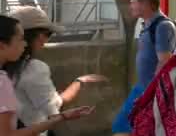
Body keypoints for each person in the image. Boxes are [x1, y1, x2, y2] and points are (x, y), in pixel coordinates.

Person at [3, 7, 107, 136]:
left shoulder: (5, 71)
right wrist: (80, 82)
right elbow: (52, 108)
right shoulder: (33, 69)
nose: (45, 40)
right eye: (47, 34)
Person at [112, 0, 176, 136]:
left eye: (133, 2)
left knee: (123, 127)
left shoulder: (163, 26)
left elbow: (165, 62)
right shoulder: (148, 25)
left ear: (145, 4)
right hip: (142, 88)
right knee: (126, 127)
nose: (131, 6)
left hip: (150, 92)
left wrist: (150, 95)